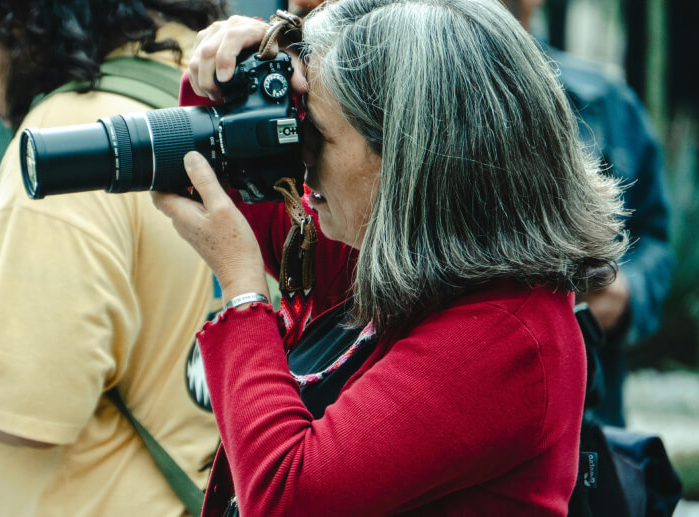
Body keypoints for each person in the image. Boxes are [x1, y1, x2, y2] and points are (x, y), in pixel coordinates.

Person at [154, 0, 629, 514]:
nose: (303, 156)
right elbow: (241, 192)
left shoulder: (508, 336)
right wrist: (231, 75)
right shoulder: (403, 250)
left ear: (411, 156)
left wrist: (244, 293)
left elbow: (287, 496)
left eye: (321, 135)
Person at [0, 1, 226, 515]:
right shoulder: (208, 89)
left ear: (17, 18)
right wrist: (8, 308)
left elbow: (30, 403)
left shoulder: (67, 148)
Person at [502, 0, 674, 428]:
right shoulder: (428, 98)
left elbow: (655, 235)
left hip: (588, 401)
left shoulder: (606, 100)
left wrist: (628, 292)